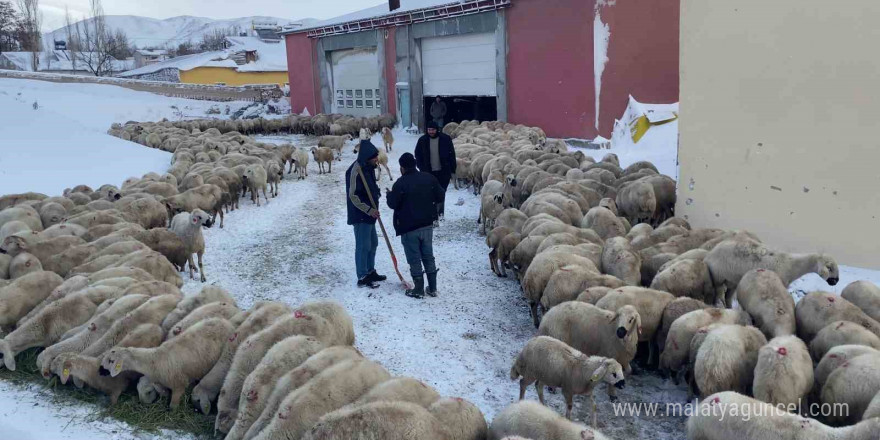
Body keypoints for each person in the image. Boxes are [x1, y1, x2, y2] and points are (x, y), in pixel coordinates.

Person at [386, 153, 444, 299]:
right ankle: (432, 288)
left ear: (402, 168)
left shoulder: (400, 183)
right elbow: (440, 195)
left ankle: (418, 289)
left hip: (408, 227)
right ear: (415, 164)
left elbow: (393, 204)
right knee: (428, 255)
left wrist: (389, 195)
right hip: (427, 225)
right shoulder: (428, 178)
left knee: (414, 258)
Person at [345, 139, 387, 289]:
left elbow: (370, 187)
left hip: (371, 214)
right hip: (360, 214)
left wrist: (377, 195)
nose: (377, 159)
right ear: (367, 157)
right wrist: (369, 209)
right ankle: (362, 275)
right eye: (374, 157)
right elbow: (353, 195)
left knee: (373, 243)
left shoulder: (368, 168)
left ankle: (370, 271)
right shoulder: (355, 171)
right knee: (363, 245)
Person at [414, 120, 456, 221]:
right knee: (430, 193)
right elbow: (417, 154)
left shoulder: (445, 139)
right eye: (429, 130)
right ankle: (432, 214)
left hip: (443, 171)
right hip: (428, 172)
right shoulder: (422, 140)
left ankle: (440, 213)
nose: (431, 132)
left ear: (437, 129)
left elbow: (452, 155)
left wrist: (453, 169)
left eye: (433, 130)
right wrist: (421, 167)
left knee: (441, 192)